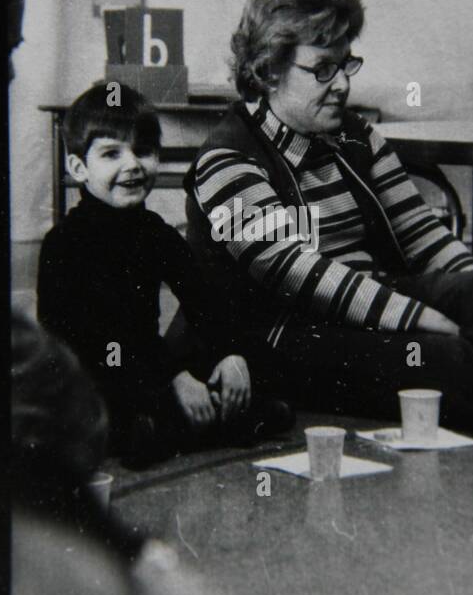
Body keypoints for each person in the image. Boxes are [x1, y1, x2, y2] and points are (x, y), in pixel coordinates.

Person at [185, 0, 473, 438]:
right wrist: (420, 318)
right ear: (269, 70)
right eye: (322, 69)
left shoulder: (354, 133)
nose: (341, 85)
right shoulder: (227, 159)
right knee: (448, 362)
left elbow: (422, 234)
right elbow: (299, 274)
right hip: (289, 333)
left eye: (344, 65)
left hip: (374, 296)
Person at [37, 81, 292, 465]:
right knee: (118, 399)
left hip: (149, 365)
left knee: (257, 357)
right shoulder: (64, 244)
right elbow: (97, 342)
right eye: (111, 154)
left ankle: (187, 422)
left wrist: (231, 355)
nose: (132, 165)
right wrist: (173, 377)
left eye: (143, 151)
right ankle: (186, 424)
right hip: (95, 374)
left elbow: (206, 302)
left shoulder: (156, 233)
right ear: (78, 168)